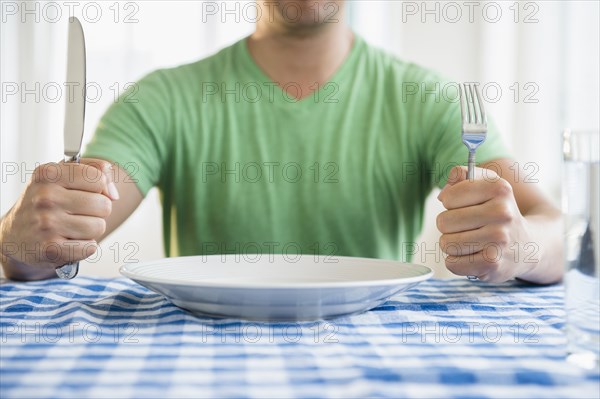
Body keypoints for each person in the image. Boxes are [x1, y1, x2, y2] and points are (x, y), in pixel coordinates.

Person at [0, 0, 562, 284]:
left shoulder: (430, 98)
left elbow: (549, 227)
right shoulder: (161, 99)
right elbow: (61, 232)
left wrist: (521, 247)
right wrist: (22, 240)